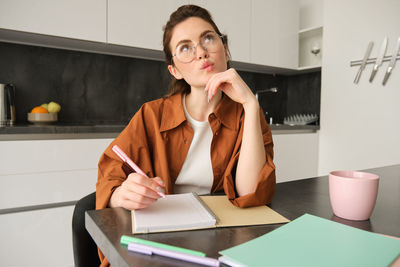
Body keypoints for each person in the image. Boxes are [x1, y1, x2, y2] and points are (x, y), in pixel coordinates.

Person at [96, 4, 276, 266]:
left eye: (208, 38)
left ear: (224, 49)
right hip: (158, 244)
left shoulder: (246, 114)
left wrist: (250, 104)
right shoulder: (151, 115)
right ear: (175, 70)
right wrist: (120, 194)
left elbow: (251, 193)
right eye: (185, 47)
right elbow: (110, 173)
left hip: (221, 244)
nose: (201, 52)